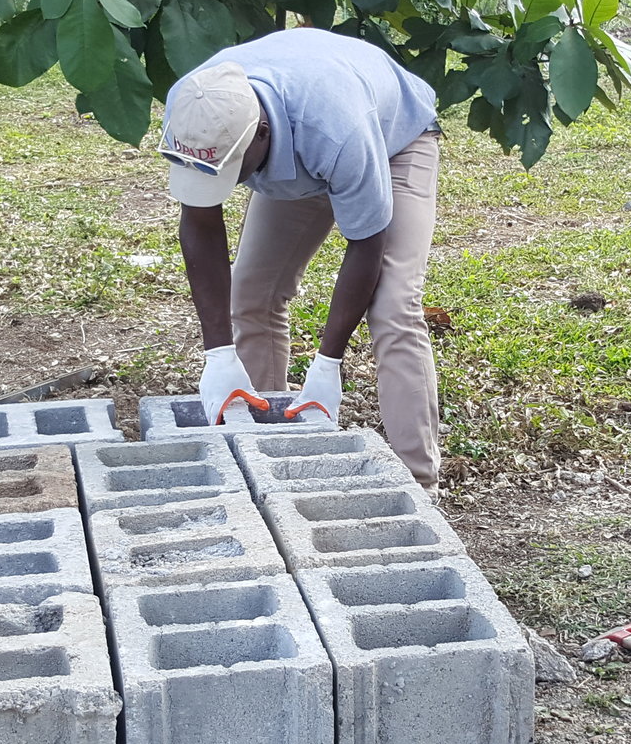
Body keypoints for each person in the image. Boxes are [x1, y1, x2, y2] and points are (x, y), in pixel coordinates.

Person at [158, 27, 446, 485]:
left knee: (393, 307)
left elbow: (367, 244)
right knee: (253, 294)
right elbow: (199, 222)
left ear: (261, 136)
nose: (227, 185)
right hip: (300, 146)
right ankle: (269, 456)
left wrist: (328, 363)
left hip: (392, 143)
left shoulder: (337, 130)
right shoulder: (197, 106)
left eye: (233, 172)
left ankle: (418, 484)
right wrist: (218, 354)